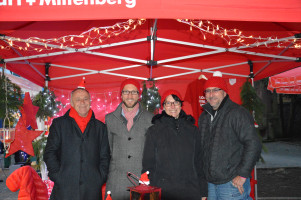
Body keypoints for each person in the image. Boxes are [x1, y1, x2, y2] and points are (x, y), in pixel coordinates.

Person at [198, 72, 262, 200]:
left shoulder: (237, 113)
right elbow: (203, 149)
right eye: (208, 91)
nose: (211, 94)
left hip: (231, 182)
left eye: (216, 90)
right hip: (210, 183)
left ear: (224, 92)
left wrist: (243, 175)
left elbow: (253, 144)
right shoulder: (204, 116)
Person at [44, 82, 110, 200]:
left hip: (92, 189)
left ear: (90, 101)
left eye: (85, 99)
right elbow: (50, 153)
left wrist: (100, 177)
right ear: (72, 103)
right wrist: (58, 176)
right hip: (65, 189)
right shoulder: (59, 124)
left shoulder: (101, 127)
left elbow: (105, 156)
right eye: (78, 99)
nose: (82, 102)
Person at [142, 89, 207, 200]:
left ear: (181, 105)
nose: (173, 106)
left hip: (190, 191)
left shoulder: (193, 130)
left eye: (176, 102)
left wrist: (203, 191)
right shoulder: (154, 131)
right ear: (163, 106)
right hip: (163, 191)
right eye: (168, 103)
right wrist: (149, 193)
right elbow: (148, 165)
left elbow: (199, 163)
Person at [105, 78, 153, 200]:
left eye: (134, 92)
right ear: (121, 94)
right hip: (116, 180)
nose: (130, 95)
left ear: (139, 95)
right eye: (126, 92)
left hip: (141, 180)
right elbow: (108, 149)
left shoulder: (150, 119)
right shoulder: (109, 119)